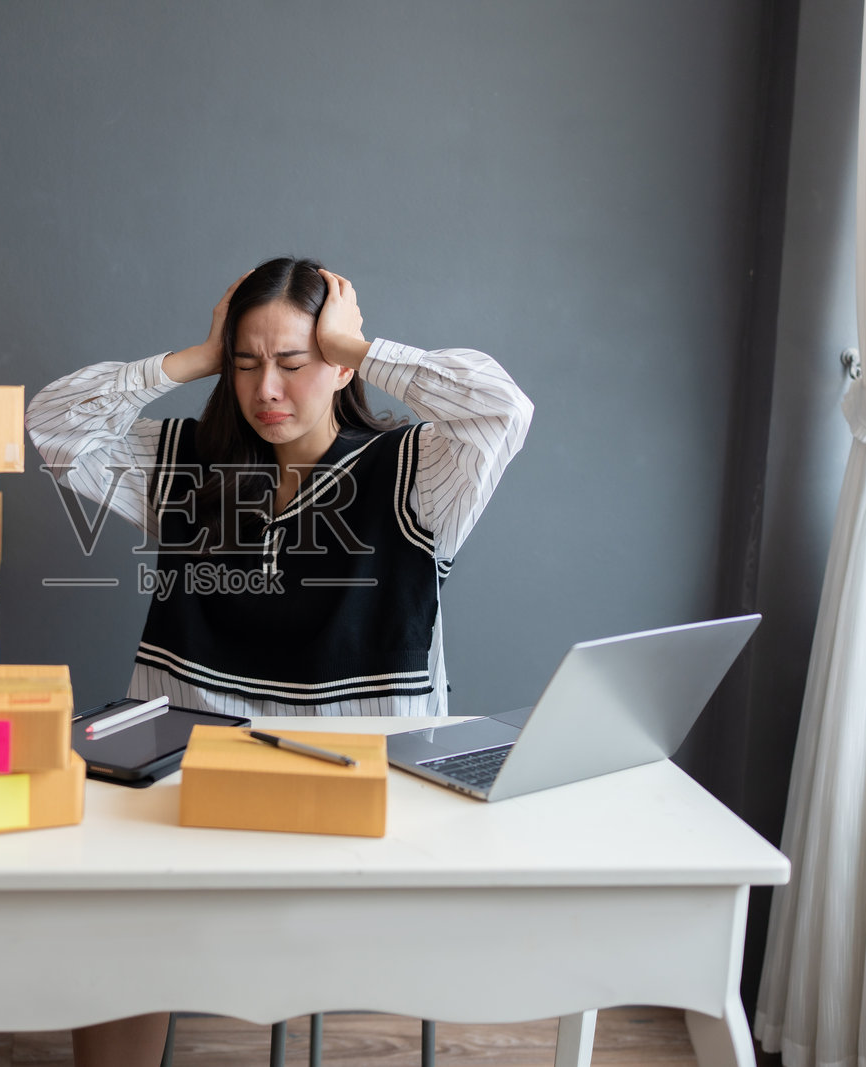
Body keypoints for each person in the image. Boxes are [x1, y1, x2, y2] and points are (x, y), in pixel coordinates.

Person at [28, 257, 533, 1067]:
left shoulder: (416, 475)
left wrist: (364, 344)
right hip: (191, 796)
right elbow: (53, 423)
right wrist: (197, 356)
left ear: (338, 365)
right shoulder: (188, 469)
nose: (267, 389)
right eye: (247, 363)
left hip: (360, 806)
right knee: (111, 925)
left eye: (294, 363)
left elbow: (501, 410)